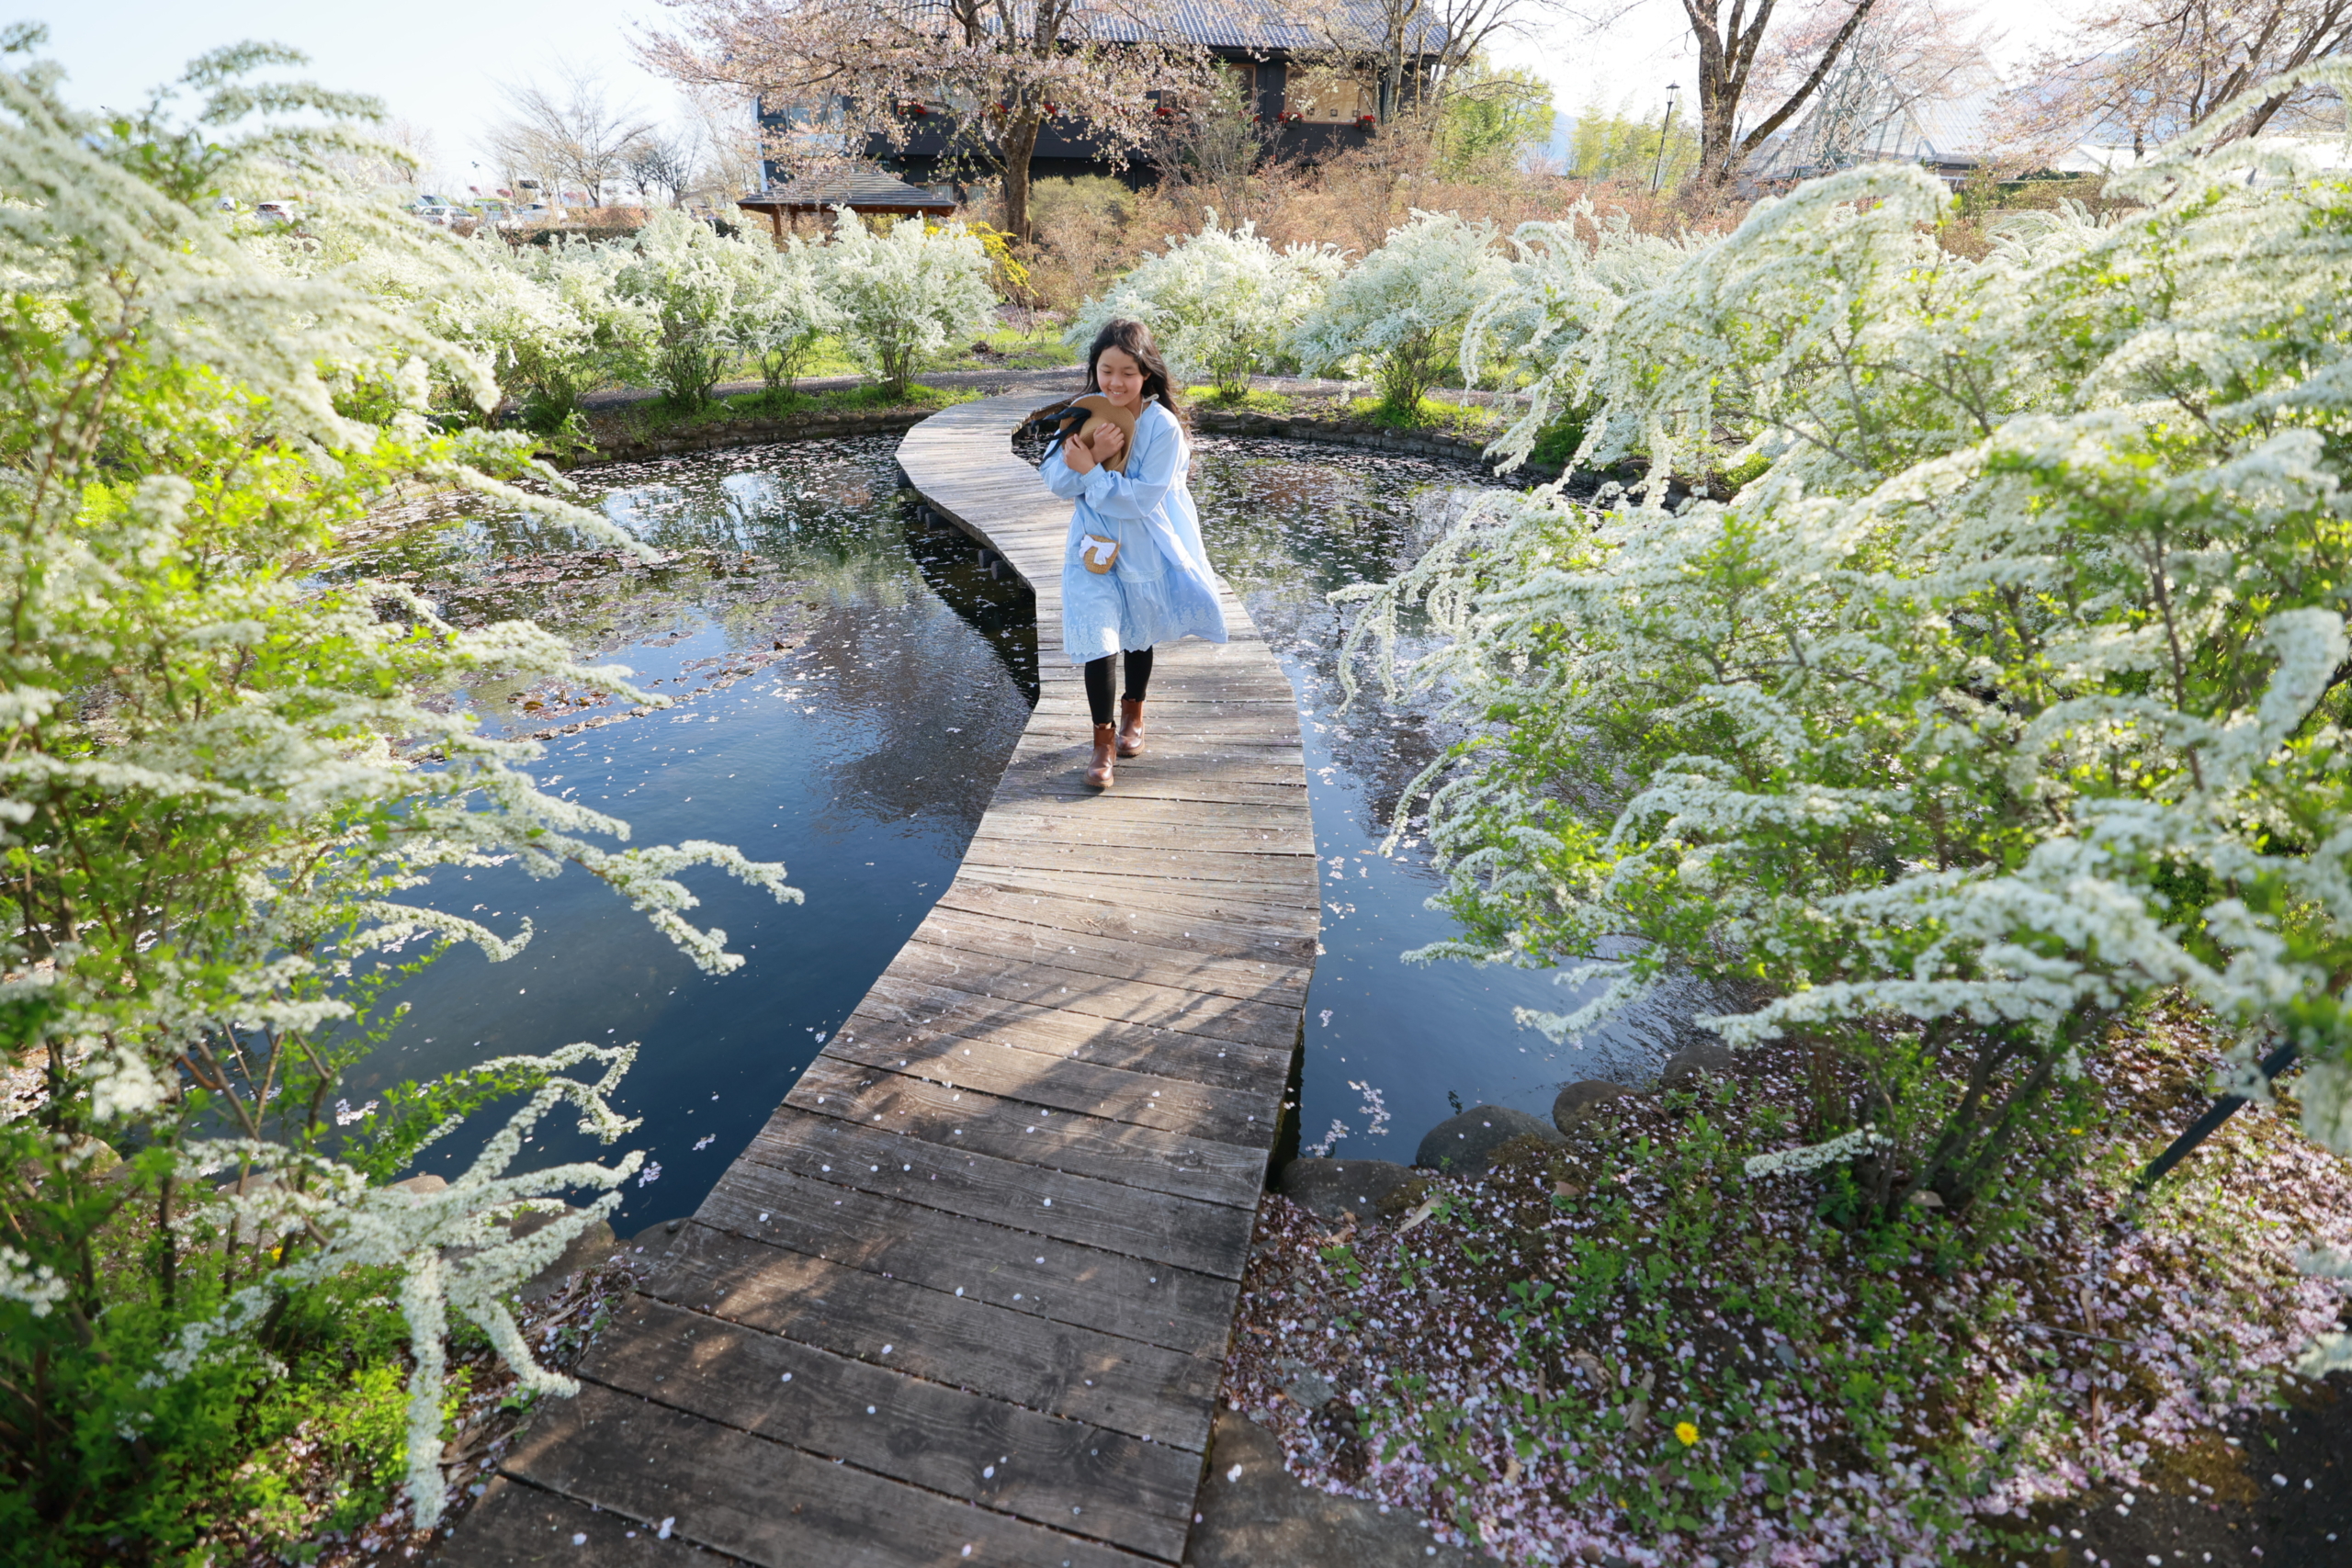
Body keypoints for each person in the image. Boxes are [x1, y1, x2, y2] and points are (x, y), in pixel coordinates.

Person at [1040, 319, 1227, 788]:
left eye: (1127, 372)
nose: (1116, 382)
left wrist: (1093, 471)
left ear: (1146, 374)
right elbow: (1055, 480)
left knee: (1136, 634)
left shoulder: (1163, 428)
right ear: (1094, 370)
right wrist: (1088, 459)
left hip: (1142, 546)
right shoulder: (1084, 412)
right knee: (1100, 641)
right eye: (1106, 370)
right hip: (1092, 549)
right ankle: (1102, 743)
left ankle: (1134, 714)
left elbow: (1143, 499)